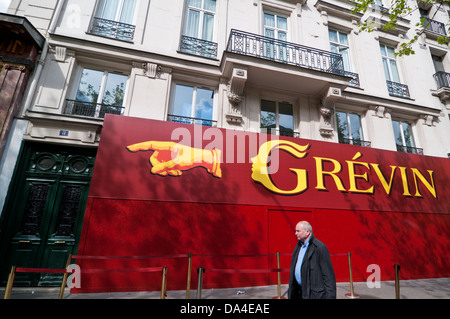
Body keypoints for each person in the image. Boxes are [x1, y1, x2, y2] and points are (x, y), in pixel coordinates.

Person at [288, 221, 336, 299]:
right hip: (299, 293)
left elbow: (328, 276)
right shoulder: (298, 247)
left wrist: (330, 296)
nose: (295, 233)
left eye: (298, 231)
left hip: (314, 295)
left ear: (307, 232)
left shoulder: (319, 248)